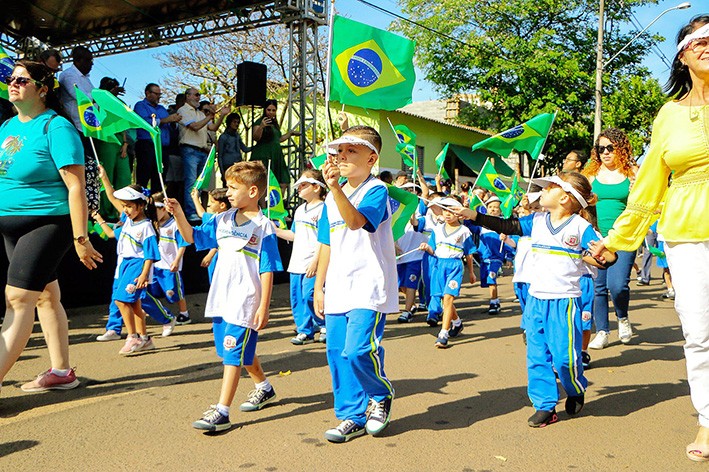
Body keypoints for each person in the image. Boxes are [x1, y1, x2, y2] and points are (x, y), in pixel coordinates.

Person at [589, 16, 709, 462]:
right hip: (687, 234)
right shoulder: (668, 115)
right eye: (699, 38)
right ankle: (708, 420)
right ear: (683, 53)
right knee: (699, 331)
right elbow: (648, 188)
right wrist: (617, 240)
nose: (708, 43)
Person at [455, 173, 616, 427]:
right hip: (536, 301)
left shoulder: (579, 226)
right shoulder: (537, 220)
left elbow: (605, 257)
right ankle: (545, 405)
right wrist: (474, 215)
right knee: (537, 355)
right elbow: (507, 226)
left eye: (550, 187)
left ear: (564, 198)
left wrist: (605, 255)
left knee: (565, 360)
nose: (543, 190)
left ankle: (575, 388)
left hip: (564, 303)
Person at [0, 60, 102, 393]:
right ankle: (62, 372)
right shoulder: (7, 128)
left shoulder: (57, 127)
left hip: (48, 222)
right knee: (45, 296)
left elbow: (75, 188)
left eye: (22, 80)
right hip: (10, 224)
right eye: (10, 78)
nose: (13, 83)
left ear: (42, 89)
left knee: (17, 299)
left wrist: (80, 237)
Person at [166, 161, 283, 432]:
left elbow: (267, 269)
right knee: (235, 350)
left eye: (233, 187)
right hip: (221, 298)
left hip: (246, 300)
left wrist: (263, 306)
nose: (227, 192)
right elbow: (192, 237)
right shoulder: (221, 219)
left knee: (232, 354)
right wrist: (178, 213)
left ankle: (222, 411)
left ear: (253, 191)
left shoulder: (264, 226)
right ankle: (264, 387)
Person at [314, 126, 397, 443]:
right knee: (336, 352)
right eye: (339, 151)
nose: (341, 156)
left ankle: (381, 393)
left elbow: (356, 222)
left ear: (371, 157)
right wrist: (319, 286)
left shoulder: (377, 191)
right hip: (337, 286)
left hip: (368, 286)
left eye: (351, 151)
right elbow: (327, 242)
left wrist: (335, 189)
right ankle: (352, 416)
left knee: (358, 349)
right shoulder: (330, 199)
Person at [581, 128, 638, 350]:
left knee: (618, 286)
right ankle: (602, 330)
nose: (605, 152)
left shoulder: (633, 173)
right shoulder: (591, 174)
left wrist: (636, 189)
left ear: (621, 149)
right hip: (596, 237)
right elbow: (579, 200)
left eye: (610, 148)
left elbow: (641, 204)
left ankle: (622, 317)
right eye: (601, 148)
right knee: (598, 286)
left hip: (623, 237)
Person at [98, 182, 161, 355]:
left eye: (129, 206)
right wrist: (104, 179)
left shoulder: (146, 226)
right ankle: (145, 339)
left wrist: (143, 274)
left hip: (137, 264)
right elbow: (112, 198)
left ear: (141, 206)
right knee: (134, 303)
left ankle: (132, 336)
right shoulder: (127, 221)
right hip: (125, 264)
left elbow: (150, 254)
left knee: (120, 300)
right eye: (124, 206)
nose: (125, 209)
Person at [274, 170, 327, 345]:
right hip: (296, 262)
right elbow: (294, 234)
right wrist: (273, 230)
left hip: (314, 261)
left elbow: (324, 238)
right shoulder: (299, 210)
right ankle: (305, 331)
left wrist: (315, 261)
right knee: (297, 299)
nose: (299, 189)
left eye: (303, 185)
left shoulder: (324, 209)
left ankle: (324, 324)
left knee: (309, 294)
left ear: (316, 187)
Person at [418, 197, 475, 349]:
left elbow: (469, 253)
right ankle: (457, 323)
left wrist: (471, 273)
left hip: (455, 266)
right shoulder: (437, 230)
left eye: (452, 211)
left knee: (448, 299)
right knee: (445, 299)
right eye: (445, 210)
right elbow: (433, 250)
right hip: (439, 265)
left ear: (459, 214)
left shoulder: (464, 231)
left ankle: (443, 333)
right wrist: (425, 247)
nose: (448, 214)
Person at [178, 87, 228, 222]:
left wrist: (222, 115)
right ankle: (190, 212)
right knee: (191, 183)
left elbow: (213, 127)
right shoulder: (183, 110)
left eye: (199, 95)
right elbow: (194, 126)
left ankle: (196, 210)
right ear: (187, 96)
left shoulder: (200, 113)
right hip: (189, 149)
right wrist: (210, 116)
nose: (198, 98)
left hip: (201, 151)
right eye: (196, 95)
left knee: (199, 184)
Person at [134, 83, 182, 192]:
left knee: (159, 179)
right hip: (147, 145)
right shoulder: (141, 106)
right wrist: (166, 120)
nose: (158, 96)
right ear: (147, 93)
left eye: (160, 94)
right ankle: (140, 203)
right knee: (144, 177)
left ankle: (156, 205)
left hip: (163, 148)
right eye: (156, 94)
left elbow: (170, 127)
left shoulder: (161, 109)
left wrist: (174, 121)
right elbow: (144, 123)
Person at [95, 77, 130, 221]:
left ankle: (124, 208)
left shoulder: (120, 103)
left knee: (124, 176)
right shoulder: (97, 102)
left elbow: (125, 124)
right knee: (106, 175)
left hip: (120, 142)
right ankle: (105, 212)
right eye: (113, 87)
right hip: (105, 140)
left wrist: (126, 143)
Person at [250, 99, 299, 193]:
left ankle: (277, 204)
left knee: (283, 181)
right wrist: (261, 127)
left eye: (273, 110)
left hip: (276, 155)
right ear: (264, 110)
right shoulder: (259, 121)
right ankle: (264, 205)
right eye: (269, 110)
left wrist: (290, 133)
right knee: (264, 182)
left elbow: (278, 139)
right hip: (264, 154)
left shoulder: (274, 123)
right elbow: (256, 137)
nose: (271, 112)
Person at [476, 196, 513, 315]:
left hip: (496, 258)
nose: (493, 209)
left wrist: (509, 257)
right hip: (484, 257)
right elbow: (468, 225)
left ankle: (493, 303)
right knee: (486, 280)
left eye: (496, 208)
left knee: (491, 279)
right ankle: (496, 300)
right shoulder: (481, 225)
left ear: (501, 210)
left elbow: (508, 242)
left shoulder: (503, 225)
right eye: (490, 207)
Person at [58, 46, 95, 133]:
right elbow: (83, 98)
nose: (92, 64)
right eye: (88, 60)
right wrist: (102, 95)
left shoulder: (85, 78)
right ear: (78, 60)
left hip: (89, 126)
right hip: (76, 127)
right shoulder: (69, 75)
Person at [217, 113, 251, 187]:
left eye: (238, 122)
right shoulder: (223, 137)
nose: (236, 124)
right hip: (228, 166)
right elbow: (220, 156)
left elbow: (244, 149)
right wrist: (222, 173)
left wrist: (257, 146)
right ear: (229, 123)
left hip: (238, 165)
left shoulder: (237, 136)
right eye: (234, 122)